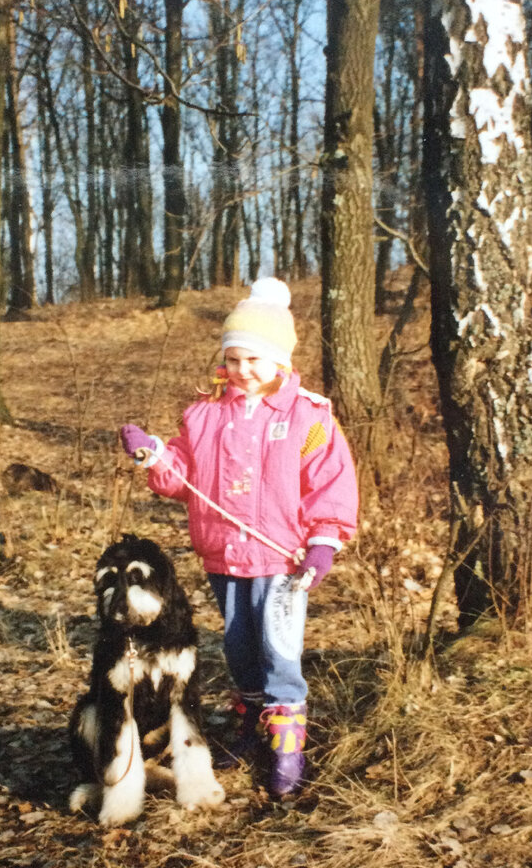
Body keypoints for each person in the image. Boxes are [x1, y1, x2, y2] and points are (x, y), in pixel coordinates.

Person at [119, 277, 358, 797]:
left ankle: (287, 754)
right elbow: (182, 477)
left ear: (280, 362)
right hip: (224, 556)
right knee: (240, 647)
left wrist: (324, 541)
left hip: (281, 561)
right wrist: (154, 453)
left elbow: (330, 482)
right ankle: (252, 730)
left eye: (255, 359)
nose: (243, 371)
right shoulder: (204, 416)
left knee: (279, 652)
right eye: (234, 359)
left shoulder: (307, 418)